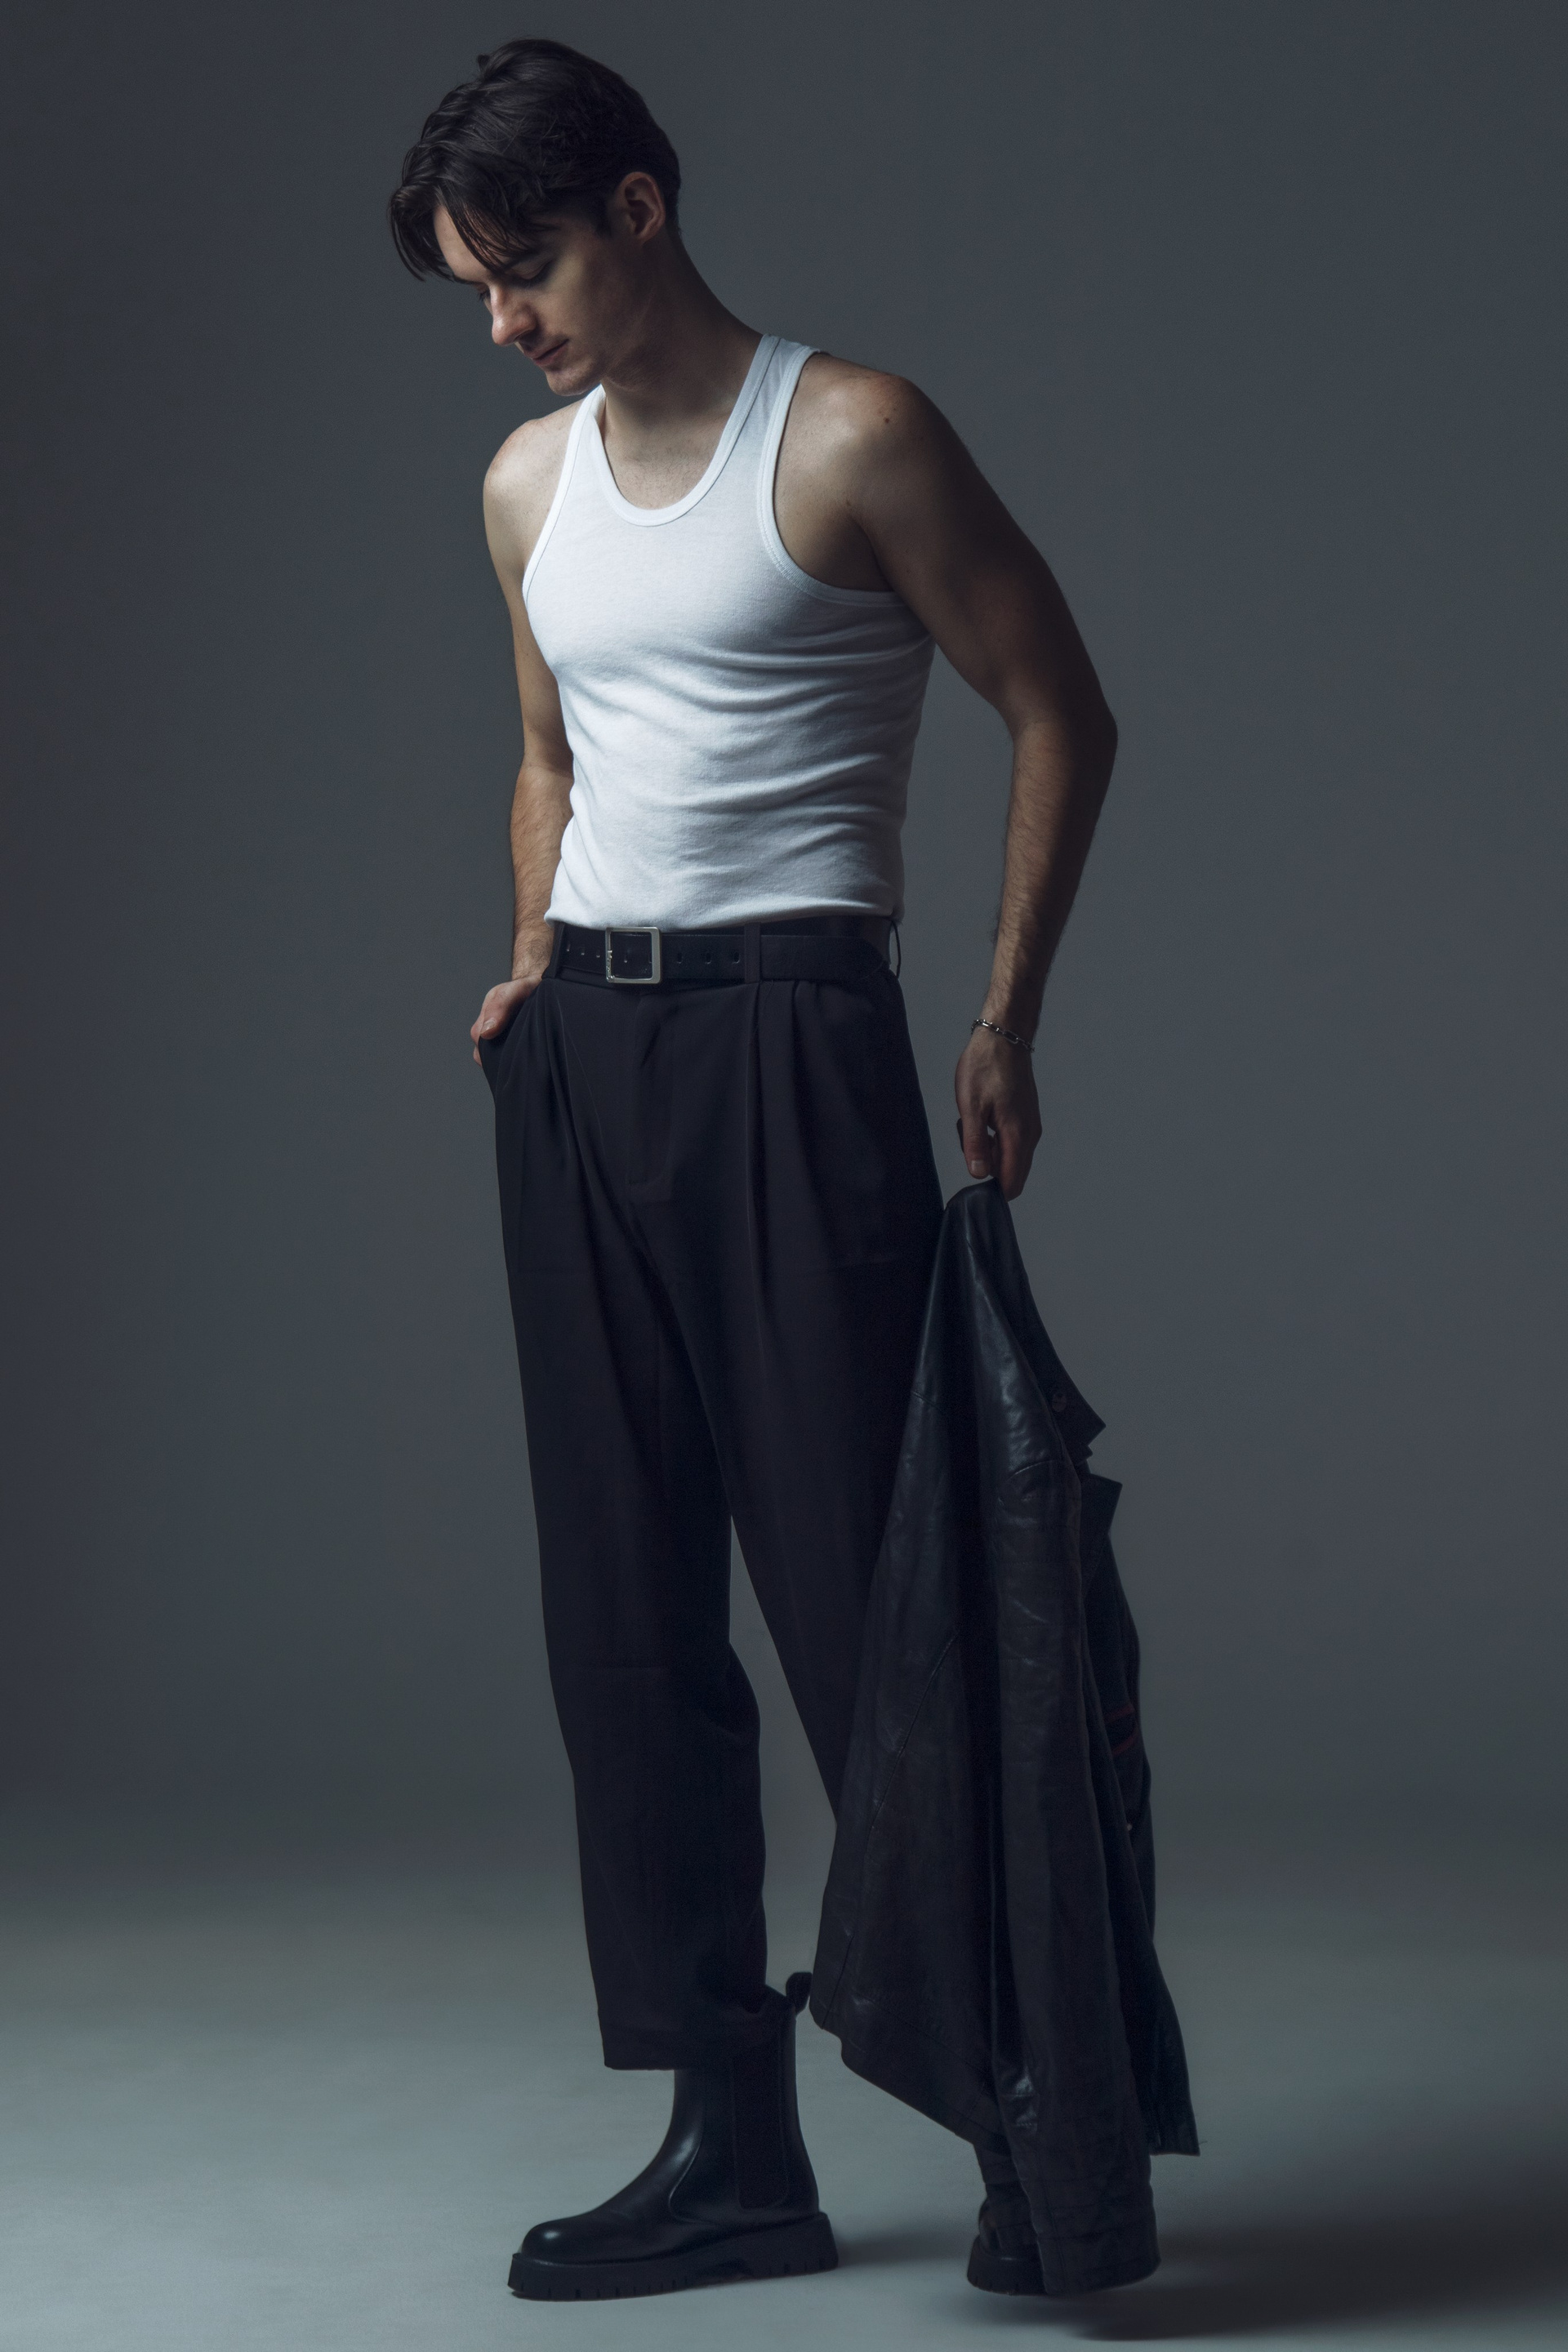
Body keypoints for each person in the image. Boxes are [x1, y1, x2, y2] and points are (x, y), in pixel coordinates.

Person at [390, 35, 1118, 2303]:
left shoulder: (852, 434)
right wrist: (533, 960)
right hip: (584, 1072)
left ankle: (1029, 2117)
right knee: (623, 1626)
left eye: (521, 266)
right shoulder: (525, 486)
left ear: (638, 204)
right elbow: (547, 748)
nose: (501, 320)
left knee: (873, 1611)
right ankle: (731, 2143)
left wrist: (1001, 1016)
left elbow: (1060, 703)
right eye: (472, 287)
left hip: (798, 1042)